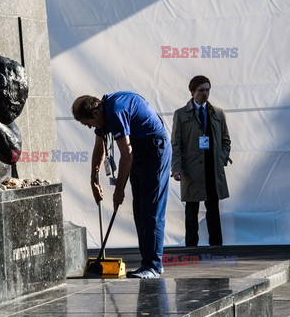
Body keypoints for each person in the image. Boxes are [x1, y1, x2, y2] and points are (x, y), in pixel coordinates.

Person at [72, 92, 171, 279]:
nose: (88, 127)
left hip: (154, 150)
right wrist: (93, 180)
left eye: (87, 123)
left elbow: (126, 155)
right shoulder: (103, 114)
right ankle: (148, 262)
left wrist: (119, 190)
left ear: (94, 113)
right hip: (138, 151)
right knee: (140, 209)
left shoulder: (116, 112)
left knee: (151, 209)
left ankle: (153, 266)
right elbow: (99, 147)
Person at [171, 75, 231, 247]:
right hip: (191, 169)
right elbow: (176, 144)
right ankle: (191, 249)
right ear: (192, 92)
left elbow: (226, 140)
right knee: (191, 211)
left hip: (212, 168)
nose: (205, 94)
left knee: (213, 210)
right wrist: (177, 168)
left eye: (207, 90)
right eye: (201, 90)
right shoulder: (181, 114)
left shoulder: (217, 113)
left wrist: (222, 158)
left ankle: (217, 249)